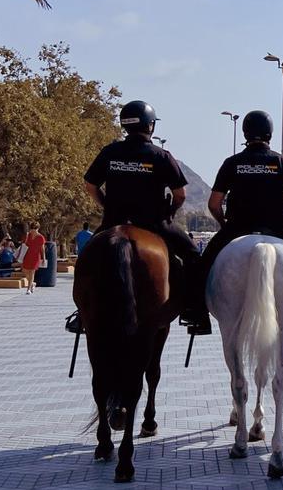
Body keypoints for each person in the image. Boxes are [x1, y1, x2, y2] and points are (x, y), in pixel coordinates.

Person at [77, 101, 207, 332]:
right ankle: (194, 310)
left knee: (87, 258)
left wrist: (106, 205)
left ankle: (82, 312)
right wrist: (170, 212)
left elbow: (90, 185)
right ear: (150, 126)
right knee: (193, 255)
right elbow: (180, 194)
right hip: (154, 223)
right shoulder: (160, 155)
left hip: (113, 220)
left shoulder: (110, 152)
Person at [198, 111, 283, 336]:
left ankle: (199, 316)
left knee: (202, 264)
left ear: (245, 133)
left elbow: (214, 203)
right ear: (270, 133)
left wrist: (224, 224)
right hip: (278, 229)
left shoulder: (232, 163)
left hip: (237, 228)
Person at [20, 222, 45, 294]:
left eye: (35, 228)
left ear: (38, 228)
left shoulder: (41, 237)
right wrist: (26, 236)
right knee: (24, 270)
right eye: (32, 228)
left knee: (32, 272)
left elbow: (42, 249)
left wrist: (43, 258)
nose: (33, 230)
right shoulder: (28, 235)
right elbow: (24, 244)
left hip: (36, 256)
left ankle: (28, 289)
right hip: (27, 255)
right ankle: (32, 284)